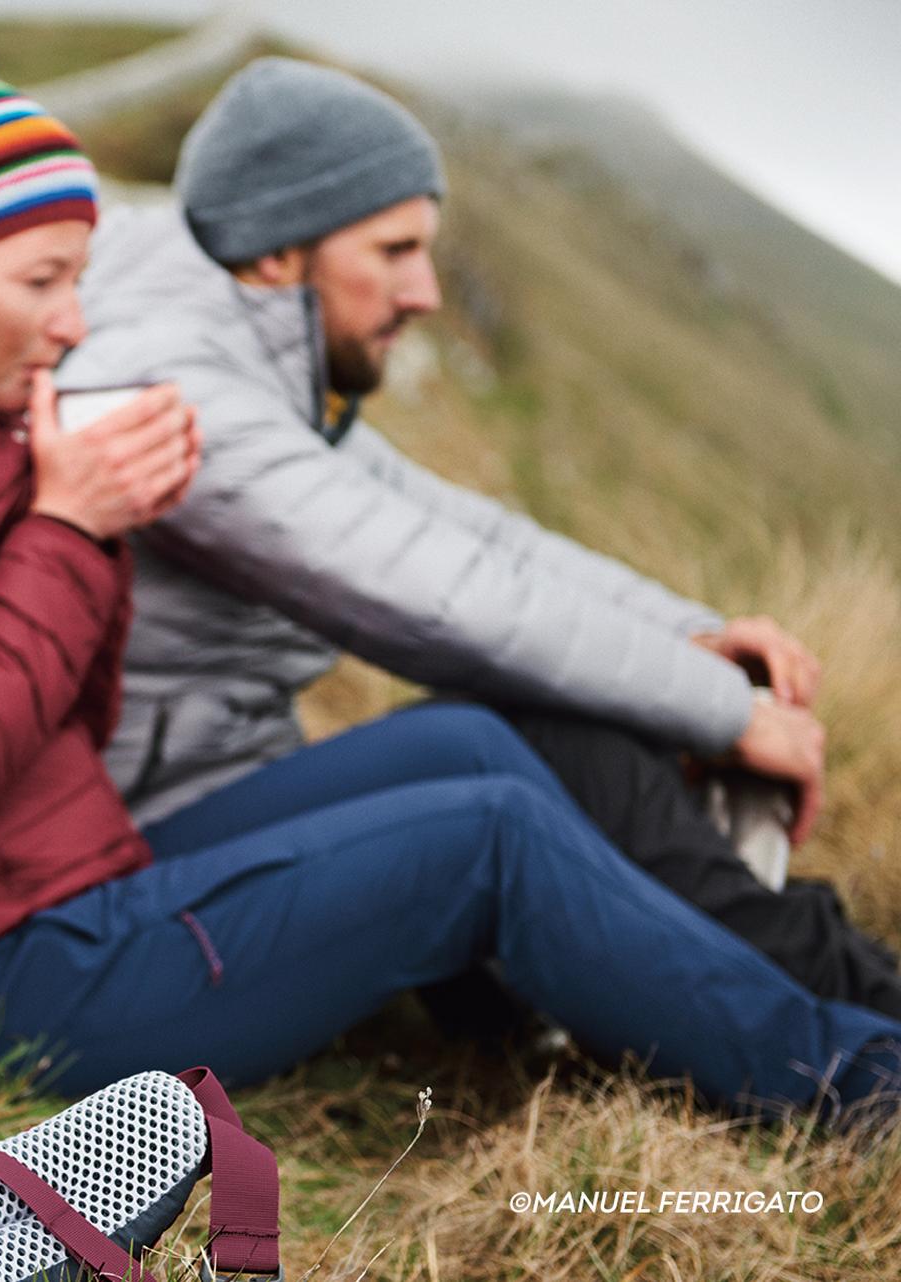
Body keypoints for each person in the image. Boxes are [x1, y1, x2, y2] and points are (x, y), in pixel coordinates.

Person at [0, 67, 901, 1117]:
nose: (74, 324)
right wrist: (70, 523)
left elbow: (49, 707)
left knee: (471, 742)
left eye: (79, 277)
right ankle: (852, 1081)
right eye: (42, 283)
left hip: (60, 885)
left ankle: (711, 1005)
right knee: (484, 840)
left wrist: (58, 515)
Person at [58, 57, 901, 1020]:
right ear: (275, 254)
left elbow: (466, 530)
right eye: (393, 250)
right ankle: (847, 1034)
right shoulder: (174, 400)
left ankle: (821, 991)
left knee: (554, 729)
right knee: (517, 736)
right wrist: (727, 714)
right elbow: (442, 597)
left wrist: (690, 638)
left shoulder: (217, 351)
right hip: (136, 858)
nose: (423, 292)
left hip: (207, 800)